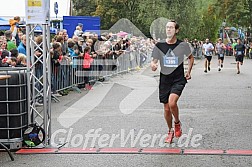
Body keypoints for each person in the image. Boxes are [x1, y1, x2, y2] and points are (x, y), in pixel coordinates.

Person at [150, 20, 194, 143]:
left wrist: (188, 71)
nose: (168, 29)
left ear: (176, 30)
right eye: (167, 27)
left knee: (172, 103)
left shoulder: (183, 45)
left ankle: (177, 123)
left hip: (178, 79)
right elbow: (154, 61)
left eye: (171, 27)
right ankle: (170, 131)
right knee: (166, 109)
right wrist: (153, 65)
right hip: (165, 79)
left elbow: (191, 58)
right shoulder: (160, 45)